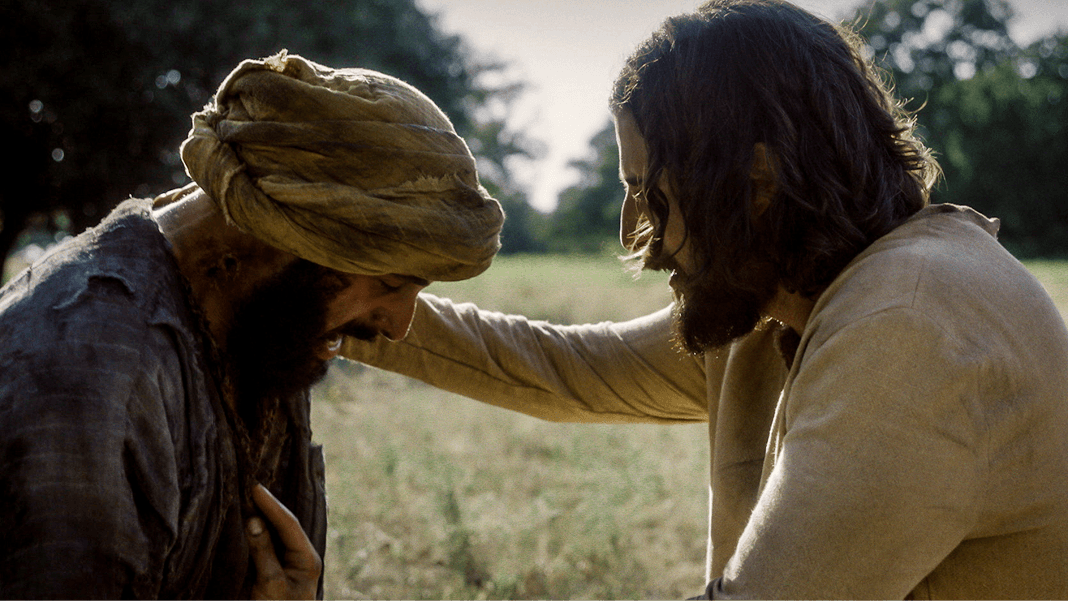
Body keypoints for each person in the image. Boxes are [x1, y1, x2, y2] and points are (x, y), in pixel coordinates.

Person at [341, 1, 1068, 599]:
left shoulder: (905, 329)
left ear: (756, 182)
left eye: (646, 192)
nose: (633, 233)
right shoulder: (787, 303)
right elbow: (563, 367)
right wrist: (351, 293)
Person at [0, 51, 503, 600]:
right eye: (389, 284)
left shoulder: (260, 323)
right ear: (275, 238)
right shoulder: (84, 378)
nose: (398, 327)